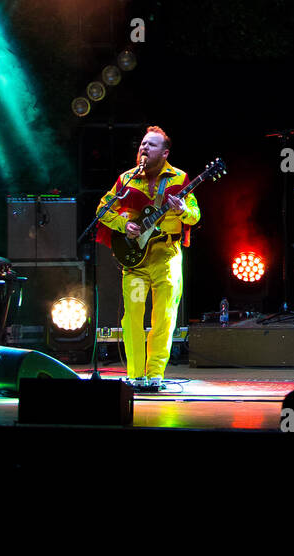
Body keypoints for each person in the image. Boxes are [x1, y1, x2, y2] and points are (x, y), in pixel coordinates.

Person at [96, 126, 200, 391]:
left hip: (166, 255)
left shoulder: (180, 178)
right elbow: (102, 209)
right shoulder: (126, 180)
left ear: (165, 153)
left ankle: (155, 374)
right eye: (142, 144)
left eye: (151, 145)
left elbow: (195, 216)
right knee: (131, 316)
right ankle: (135, 375)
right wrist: (122, 225)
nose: (144, 148)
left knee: (164, 315)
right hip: (135, 260)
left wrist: (184, 209)